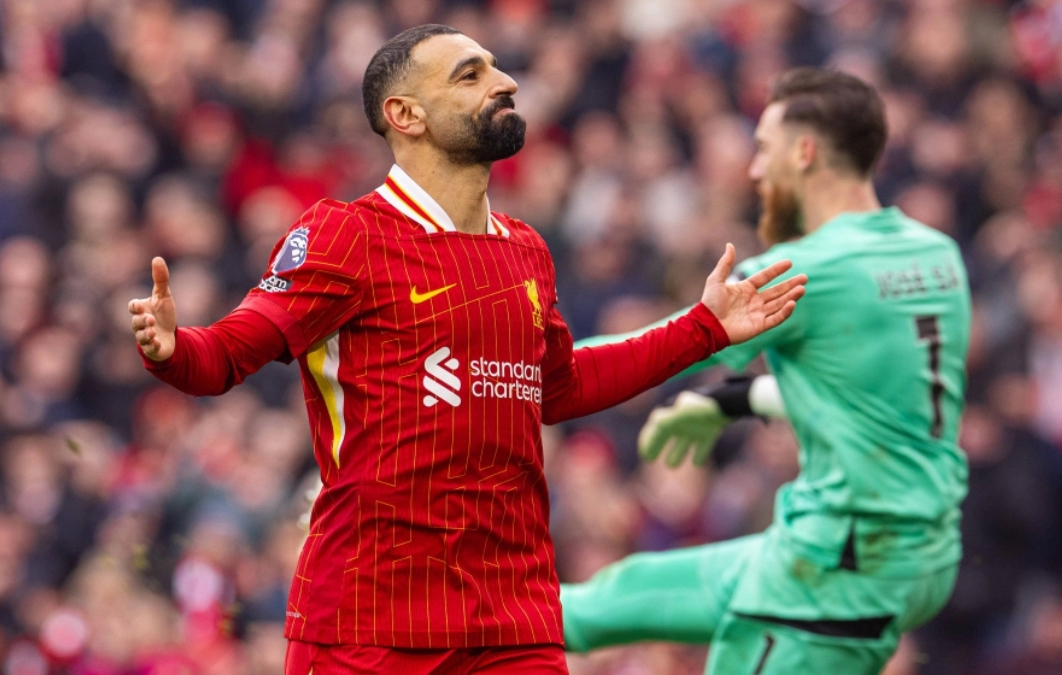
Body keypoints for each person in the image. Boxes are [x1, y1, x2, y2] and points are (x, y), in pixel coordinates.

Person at [128, 24, 806, 675]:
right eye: (471, 75)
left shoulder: (527, 250)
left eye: (496, 67)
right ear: (406, 114)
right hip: (373, 620)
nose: (505, 82)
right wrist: (170, 348)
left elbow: (558, 387)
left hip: (514, 618)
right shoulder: (346, 236)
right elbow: (225, 355)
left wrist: (703, 328)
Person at [560, 68, 971, 675]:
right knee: (602, 602)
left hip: (841, 568)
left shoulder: (802, 271)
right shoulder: (935, 254)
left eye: (762, 150)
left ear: (804, 154)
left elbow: (640, 351)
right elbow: (865, 399)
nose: (753, 172)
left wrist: (505, 368)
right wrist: (732, 401)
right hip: (918, 550)